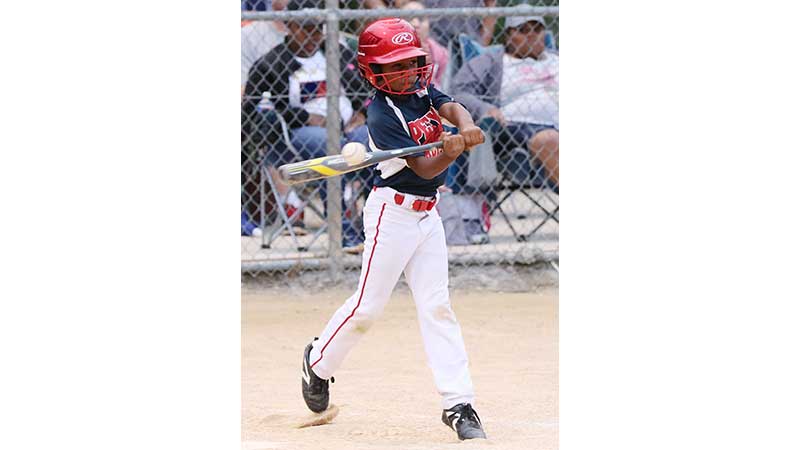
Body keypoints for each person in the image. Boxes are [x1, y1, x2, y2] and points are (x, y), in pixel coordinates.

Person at [300, 18, 488, 441]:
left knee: (437, 306)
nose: (406, 72)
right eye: (395, 67)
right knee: (368, 307)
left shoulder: (420, 91)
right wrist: (450, 151)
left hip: (430, 215)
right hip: (393, 215)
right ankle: (318, 362)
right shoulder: (381, 114)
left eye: (411, 63)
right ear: (374, 72)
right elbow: (423, 167)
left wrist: (464, 124)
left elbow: (450, 105)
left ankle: (459, 405)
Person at [241, 0, 372, 247]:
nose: (313, 35)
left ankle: (372, 225)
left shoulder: (336, 52)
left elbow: (364, 90)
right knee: (328, 146)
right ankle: (344, 233)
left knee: (371, 140)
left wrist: (361, 115)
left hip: (346, 131)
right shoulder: (272, 63)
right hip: (294, 138)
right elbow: (254, 110)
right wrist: (304, 118)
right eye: (305, 28)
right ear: (289, 26)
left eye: (317, 28)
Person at [451, 7, 559, 188]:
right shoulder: (491, 60)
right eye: (523, 30)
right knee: (549, 139)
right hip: (518, 128)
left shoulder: (557, 59)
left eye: (537, 29)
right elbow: (459, 91)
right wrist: (486, 109)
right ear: (508, 36)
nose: (531, 35)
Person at [400, 1, 449, 87]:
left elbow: (442, 88)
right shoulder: (391, 52)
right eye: (408, 18)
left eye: (421, 19)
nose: (415, 24)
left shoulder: (440, 53)